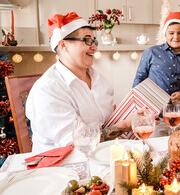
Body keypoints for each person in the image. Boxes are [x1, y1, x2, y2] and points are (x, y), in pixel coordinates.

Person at [26, 12, 132, 153]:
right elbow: (80, 142)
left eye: (94, 41)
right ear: (63, 45)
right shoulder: (47, 90)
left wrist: (134, 118)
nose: (94, 47)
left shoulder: (100, 80)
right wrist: (125, 125)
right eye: (87, 40)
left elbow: (105, 124)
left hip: (98, 155)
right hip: (60, 167)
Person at [132, 12, 180, 136]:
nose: (176, 37)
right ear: (165, 34)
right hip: (155, 116)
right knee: (155, 149)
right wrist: (139, 105)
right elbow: (139, 79)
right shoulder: (151, 53)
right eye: (171, 33)